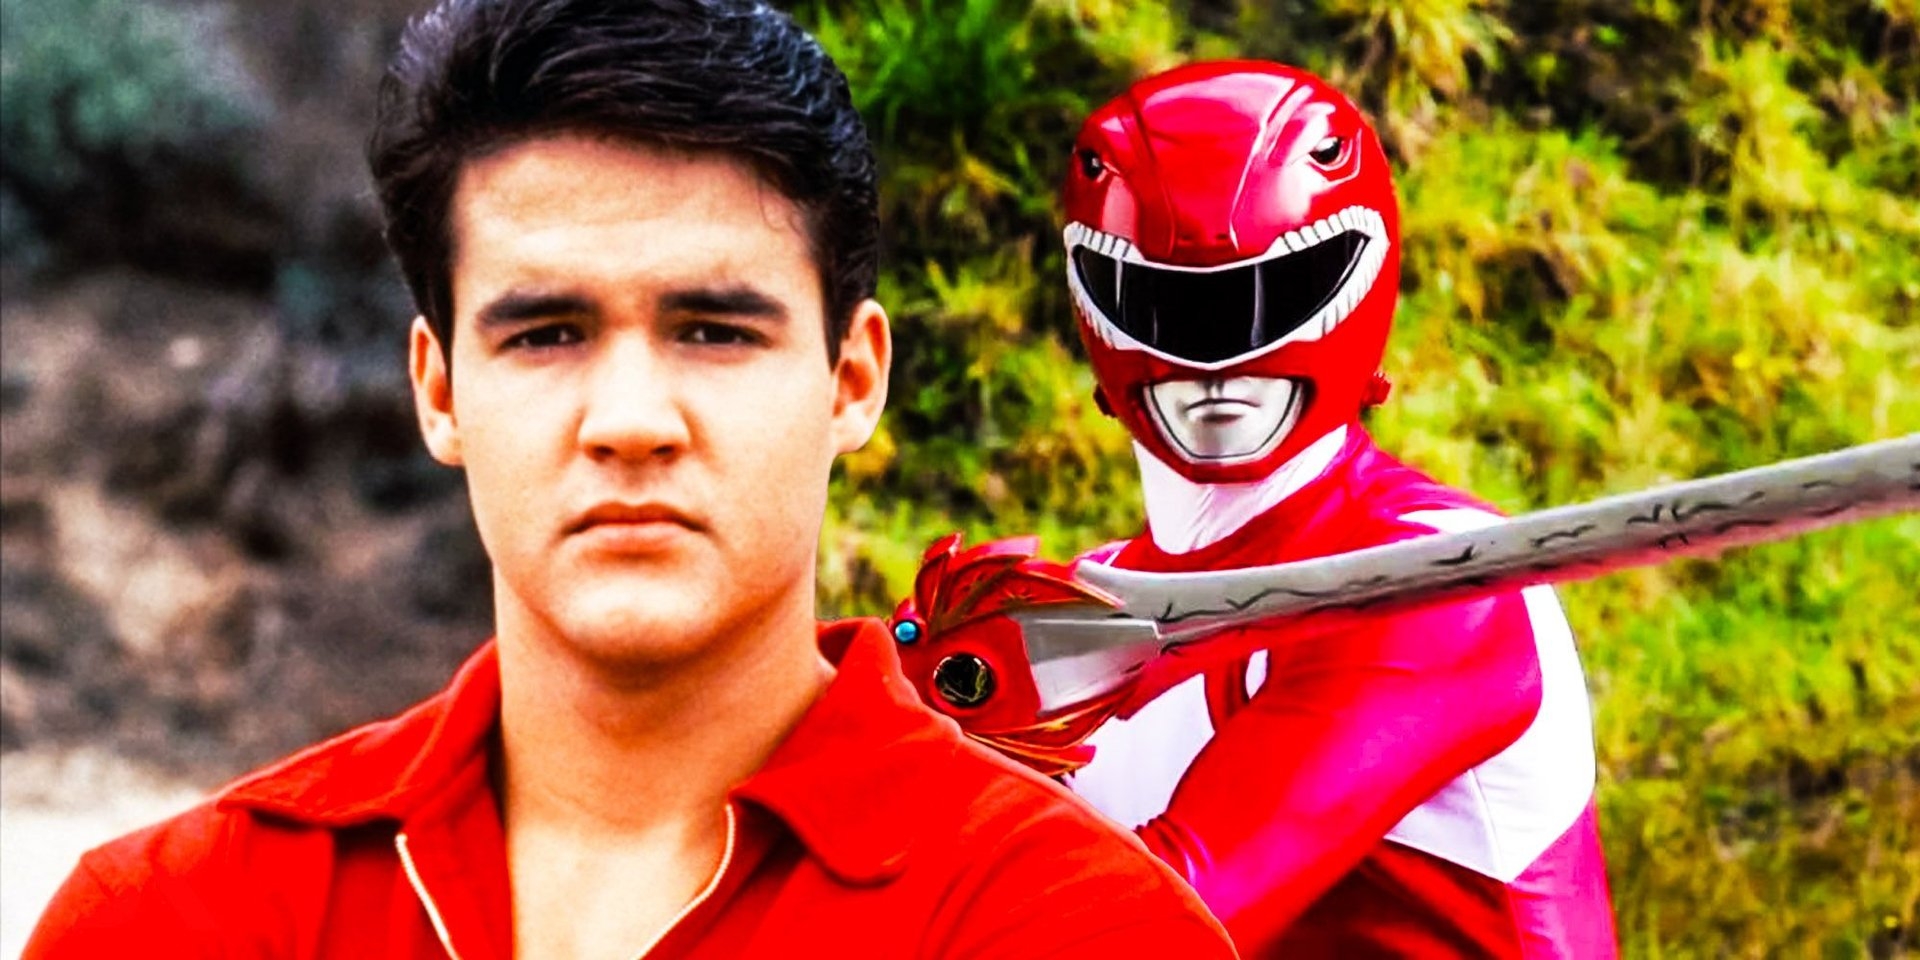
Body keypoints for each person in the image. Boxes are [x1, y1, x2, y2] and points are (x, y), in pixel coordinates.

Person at [22, 3, 1237, 958]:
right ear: (439, 390)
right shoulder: (178, 922)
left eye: (714, 330)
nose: (632, 422)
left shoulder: (1068, 929)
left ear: (852, 381)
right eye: (546, 333)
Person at [892, 61, 1620, 957]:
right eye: (1168, 305)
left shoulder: (1442, 585)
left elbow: (1164, 922)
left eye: (1271, 295)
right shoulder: (1068, 613)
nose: (1218, 364)